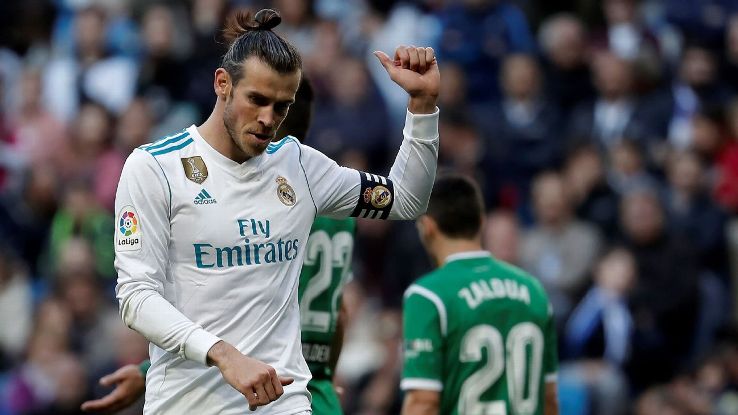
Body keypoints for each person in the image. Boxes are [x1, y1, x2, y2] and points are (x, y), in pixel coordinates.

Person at [113, 8, 440, 414]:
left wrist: (422, 106)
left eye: (281, 107)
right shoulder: (155, 168)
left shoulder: (299, 166)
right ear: (222, 84)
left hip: (283, 404)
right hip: (186, 403)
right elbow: (136, 297)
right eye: (257, 100)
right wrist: (223, 355)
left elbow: (407, 198)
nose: (269, 119)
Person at [83, 78, 356, 414]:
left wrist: (149, 370)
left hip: (260, 388)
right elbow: (339, 313)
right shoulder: (335, 205)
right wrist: (325, 373)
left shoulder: (275, 202)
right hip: (318, 393)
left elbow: (245, 303)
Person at [401, 174, 558, 415]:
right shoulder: (534, 290)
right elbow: (548, 399)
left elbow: (423, 403)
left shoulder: (428, 295)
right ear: (482, 222)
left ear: (428, 227)